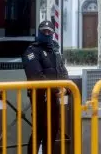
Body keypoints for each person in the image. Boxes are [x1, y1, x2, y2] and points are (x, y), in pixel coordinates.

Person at [22, 20, 69, 154]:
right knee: (39, 131)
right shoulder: (31, 51)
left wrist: (66, 88)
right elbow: (36, 75)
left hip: (54, 98)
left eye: (50, 31)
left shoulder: (55, 50)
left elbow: (63, 71)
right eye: (44, 31)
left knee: (53, 130)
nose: (47, 34)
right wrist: (57, 89)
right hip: (40, 98)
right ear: (39, 32)